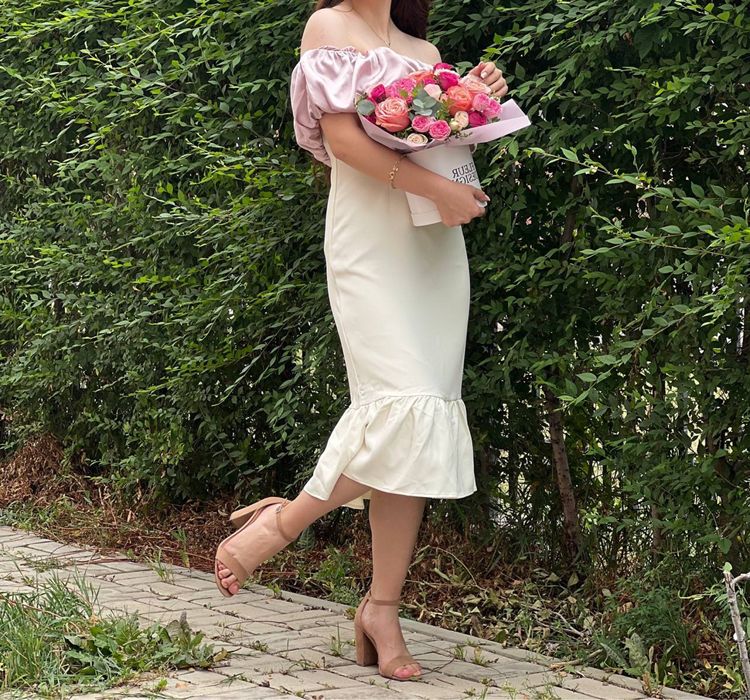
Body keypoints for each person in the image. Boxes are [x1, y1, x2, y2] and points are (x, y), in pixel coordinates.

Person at [214, 0, 509, 682]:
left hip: (433, 246)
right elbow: (345, 142)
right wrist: (439, 187)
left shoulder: (424, 52)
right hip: (370, 242)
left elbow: (442, 145)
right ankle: (281, 525)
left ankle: (382, 608)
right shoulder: (329, 27)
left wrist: (475, 98)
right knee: (400, 407)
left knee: (420, 422)